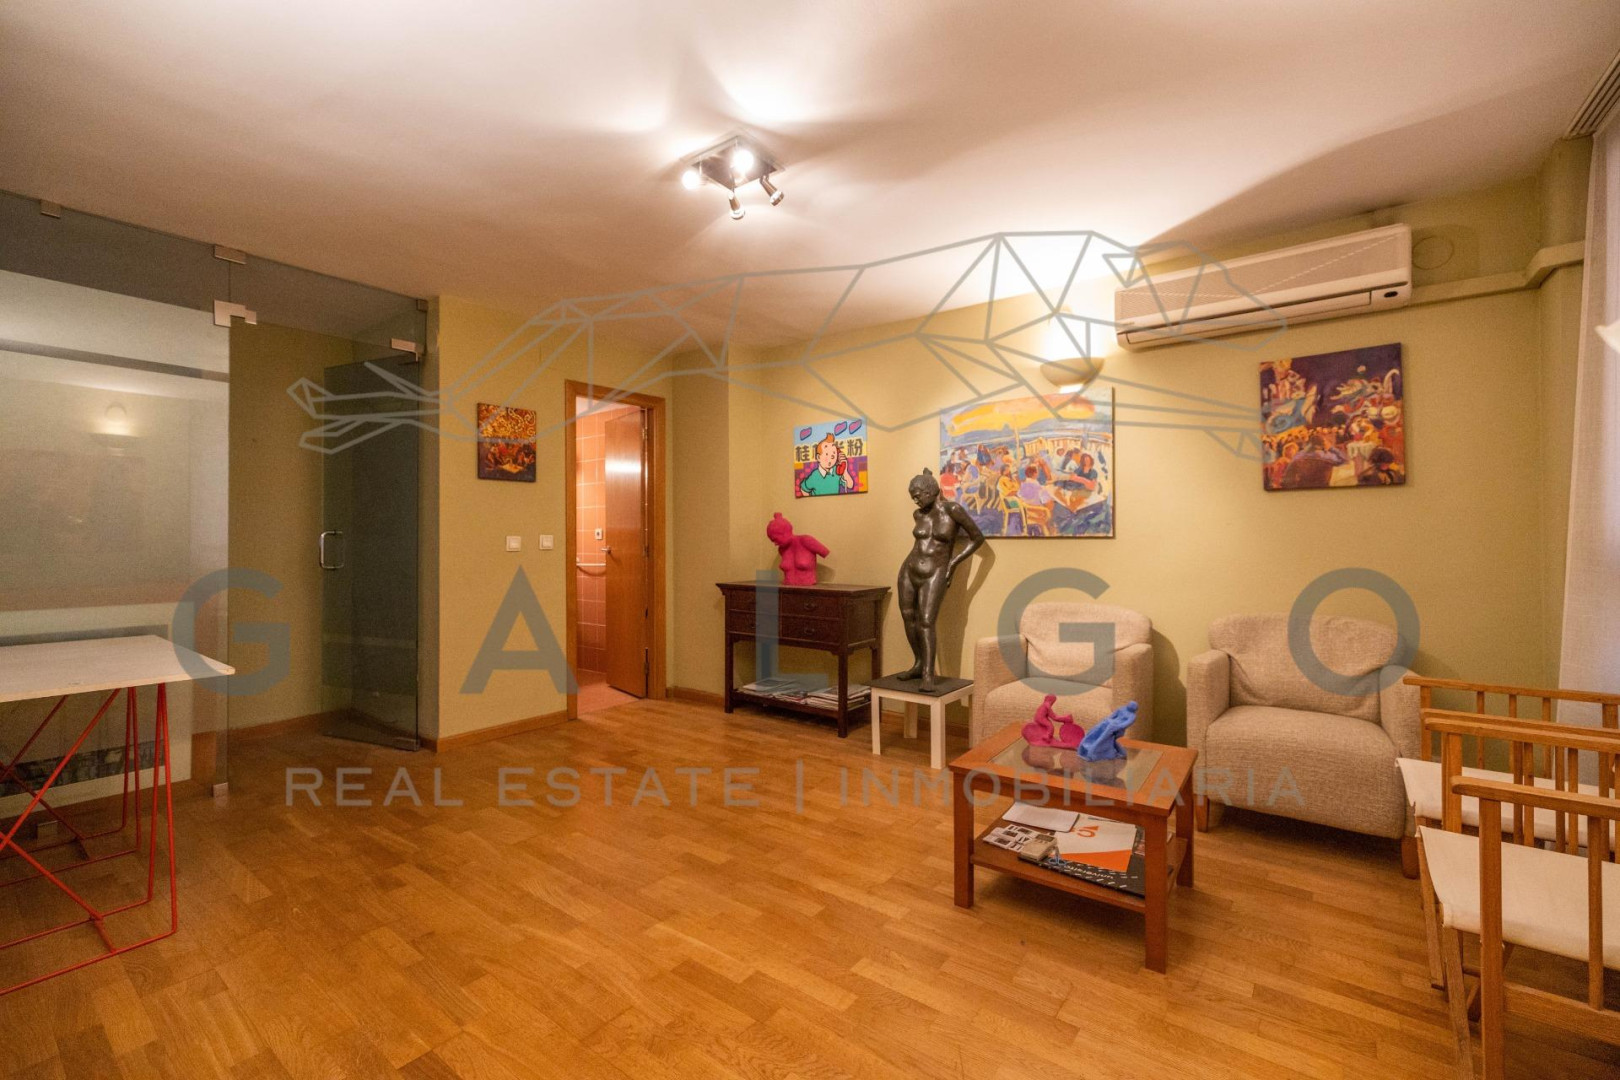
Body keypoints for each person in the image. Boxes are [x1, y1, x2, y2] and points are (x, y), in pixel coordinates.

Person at [895, 468, 985, 692]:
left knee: (926, 621)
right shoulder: (918, 515)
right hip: (909, 569)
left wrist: (953, 563)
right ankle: (918, 664)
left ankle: (928, 673)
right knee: (908, 617)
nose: (915, 501)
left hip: (936, 569)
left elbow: (977, 538)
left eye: (917, 495)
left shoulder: (952, 510)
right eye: (912, 497)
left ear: (930, 491)